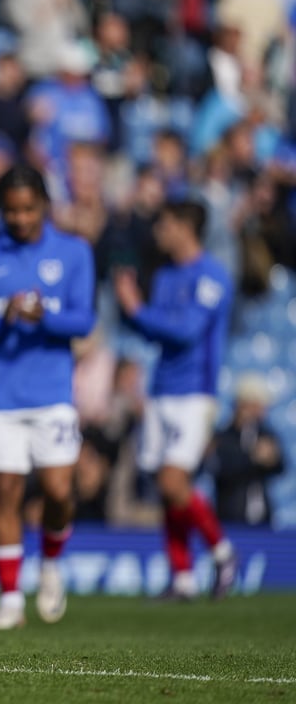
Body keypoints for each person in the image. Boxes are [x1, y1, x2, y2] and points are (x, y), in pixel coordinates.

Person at [0, 166, 95, 630]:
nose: (19, 218)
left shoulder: (73, 252)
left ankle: (51, 562)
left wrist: (42, 314)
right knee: (5, 493)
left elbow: (83, 320)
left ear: (44, 207)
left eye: (28, 209)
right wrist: (4, 319)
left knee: (57, 491)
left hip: (52, 392)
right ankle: (10, 599)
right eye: (11, 210)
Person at [114, 200, 238, 600]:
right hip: (163, 388)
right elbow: (157, 333)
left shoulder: (211, 276)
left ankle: (222, 551)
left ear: (186, 227)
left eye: (164, 223)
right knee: (166, 489)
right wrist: (136, 313)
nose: (159, 232)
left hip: (194, 393)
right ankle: (182, 576)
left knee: (173, 480)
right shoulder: (166, 276)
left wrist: (137, 309)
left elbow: (185, 331)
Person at [209, 373, 285, 526]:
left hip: (263, 521)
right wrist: (253, 458)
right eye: (257, 405)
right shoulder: (223, 436)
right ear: (243, 404)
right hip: (230, 519)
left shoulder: (265, 434)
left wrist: (272, 459)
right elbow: (220, 468)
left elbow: (280, 466)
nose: (262, 411)